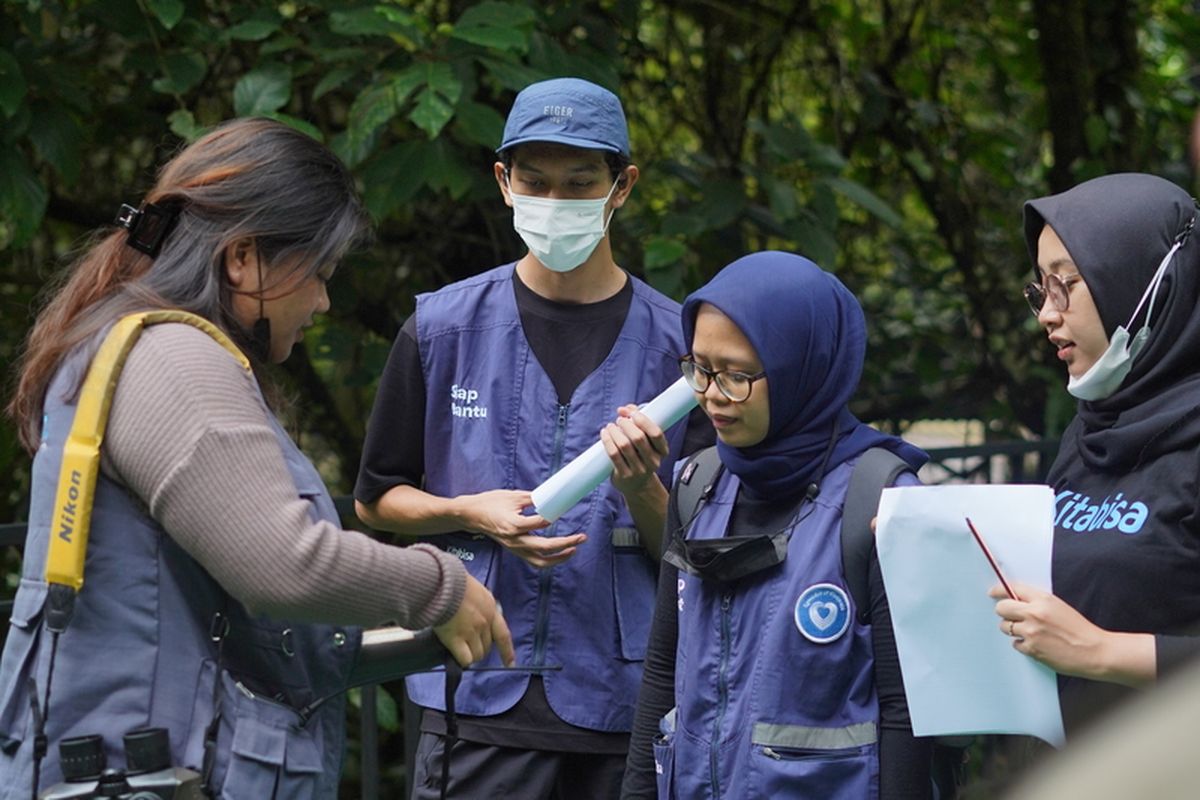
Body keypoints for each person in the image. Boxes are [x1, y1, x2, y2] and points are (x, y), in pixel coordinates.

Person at [0, 118, 511, 799]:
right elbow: (282, 562)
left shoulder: (125, 344)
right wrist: (440, 588)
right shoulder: (174, 360)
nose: (324, 301)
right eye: (319, 273)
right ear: (242, 258)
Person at [354, 77, 709, 799]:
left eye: (580, 183)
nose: (555, 201)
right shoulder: (441, 330)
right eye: (536, 181)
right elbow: (375, 500)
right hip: (473, 691)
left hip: (625, 704)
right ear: (503, 182)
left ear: (622, 186)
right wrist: (467, 511)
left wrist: (643, 489)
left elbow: (698, 550)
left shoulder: (682, 350)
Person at [621, 251, 934, 799]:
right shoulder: (696, 484)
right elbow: (663, 672)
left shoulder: (880, 500)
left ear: (801, 369)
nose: (712, 394)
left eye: (737, 375)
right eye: (700, 369)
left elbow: (907, 711)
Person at [992, 172, 1200, 735]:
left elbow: (1082, 638)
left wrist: (1100, 651)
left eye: (1066, 283)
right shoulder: (1090, 431)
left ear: (1150, 284)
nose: (1046, 313)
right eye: (1041, 288)